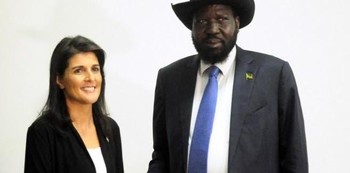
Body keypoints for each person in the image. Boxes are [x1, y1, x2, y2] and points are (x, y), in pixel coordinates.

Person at [147, 0, 308, 172]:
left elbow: (294, 156)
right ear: (191, 27)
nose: (212, 29)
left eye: (222, 19)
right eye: (202, 21)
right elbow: (161, 155)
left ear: (237, 23)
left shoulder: (273, 75)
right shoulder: (170, 78)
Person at [24, 35, 124, 173]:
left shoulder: (110, 128)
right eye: (79, 70)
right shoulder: (42, 132)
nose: (90, 78)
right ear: (59, 80)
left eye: (95, 69)